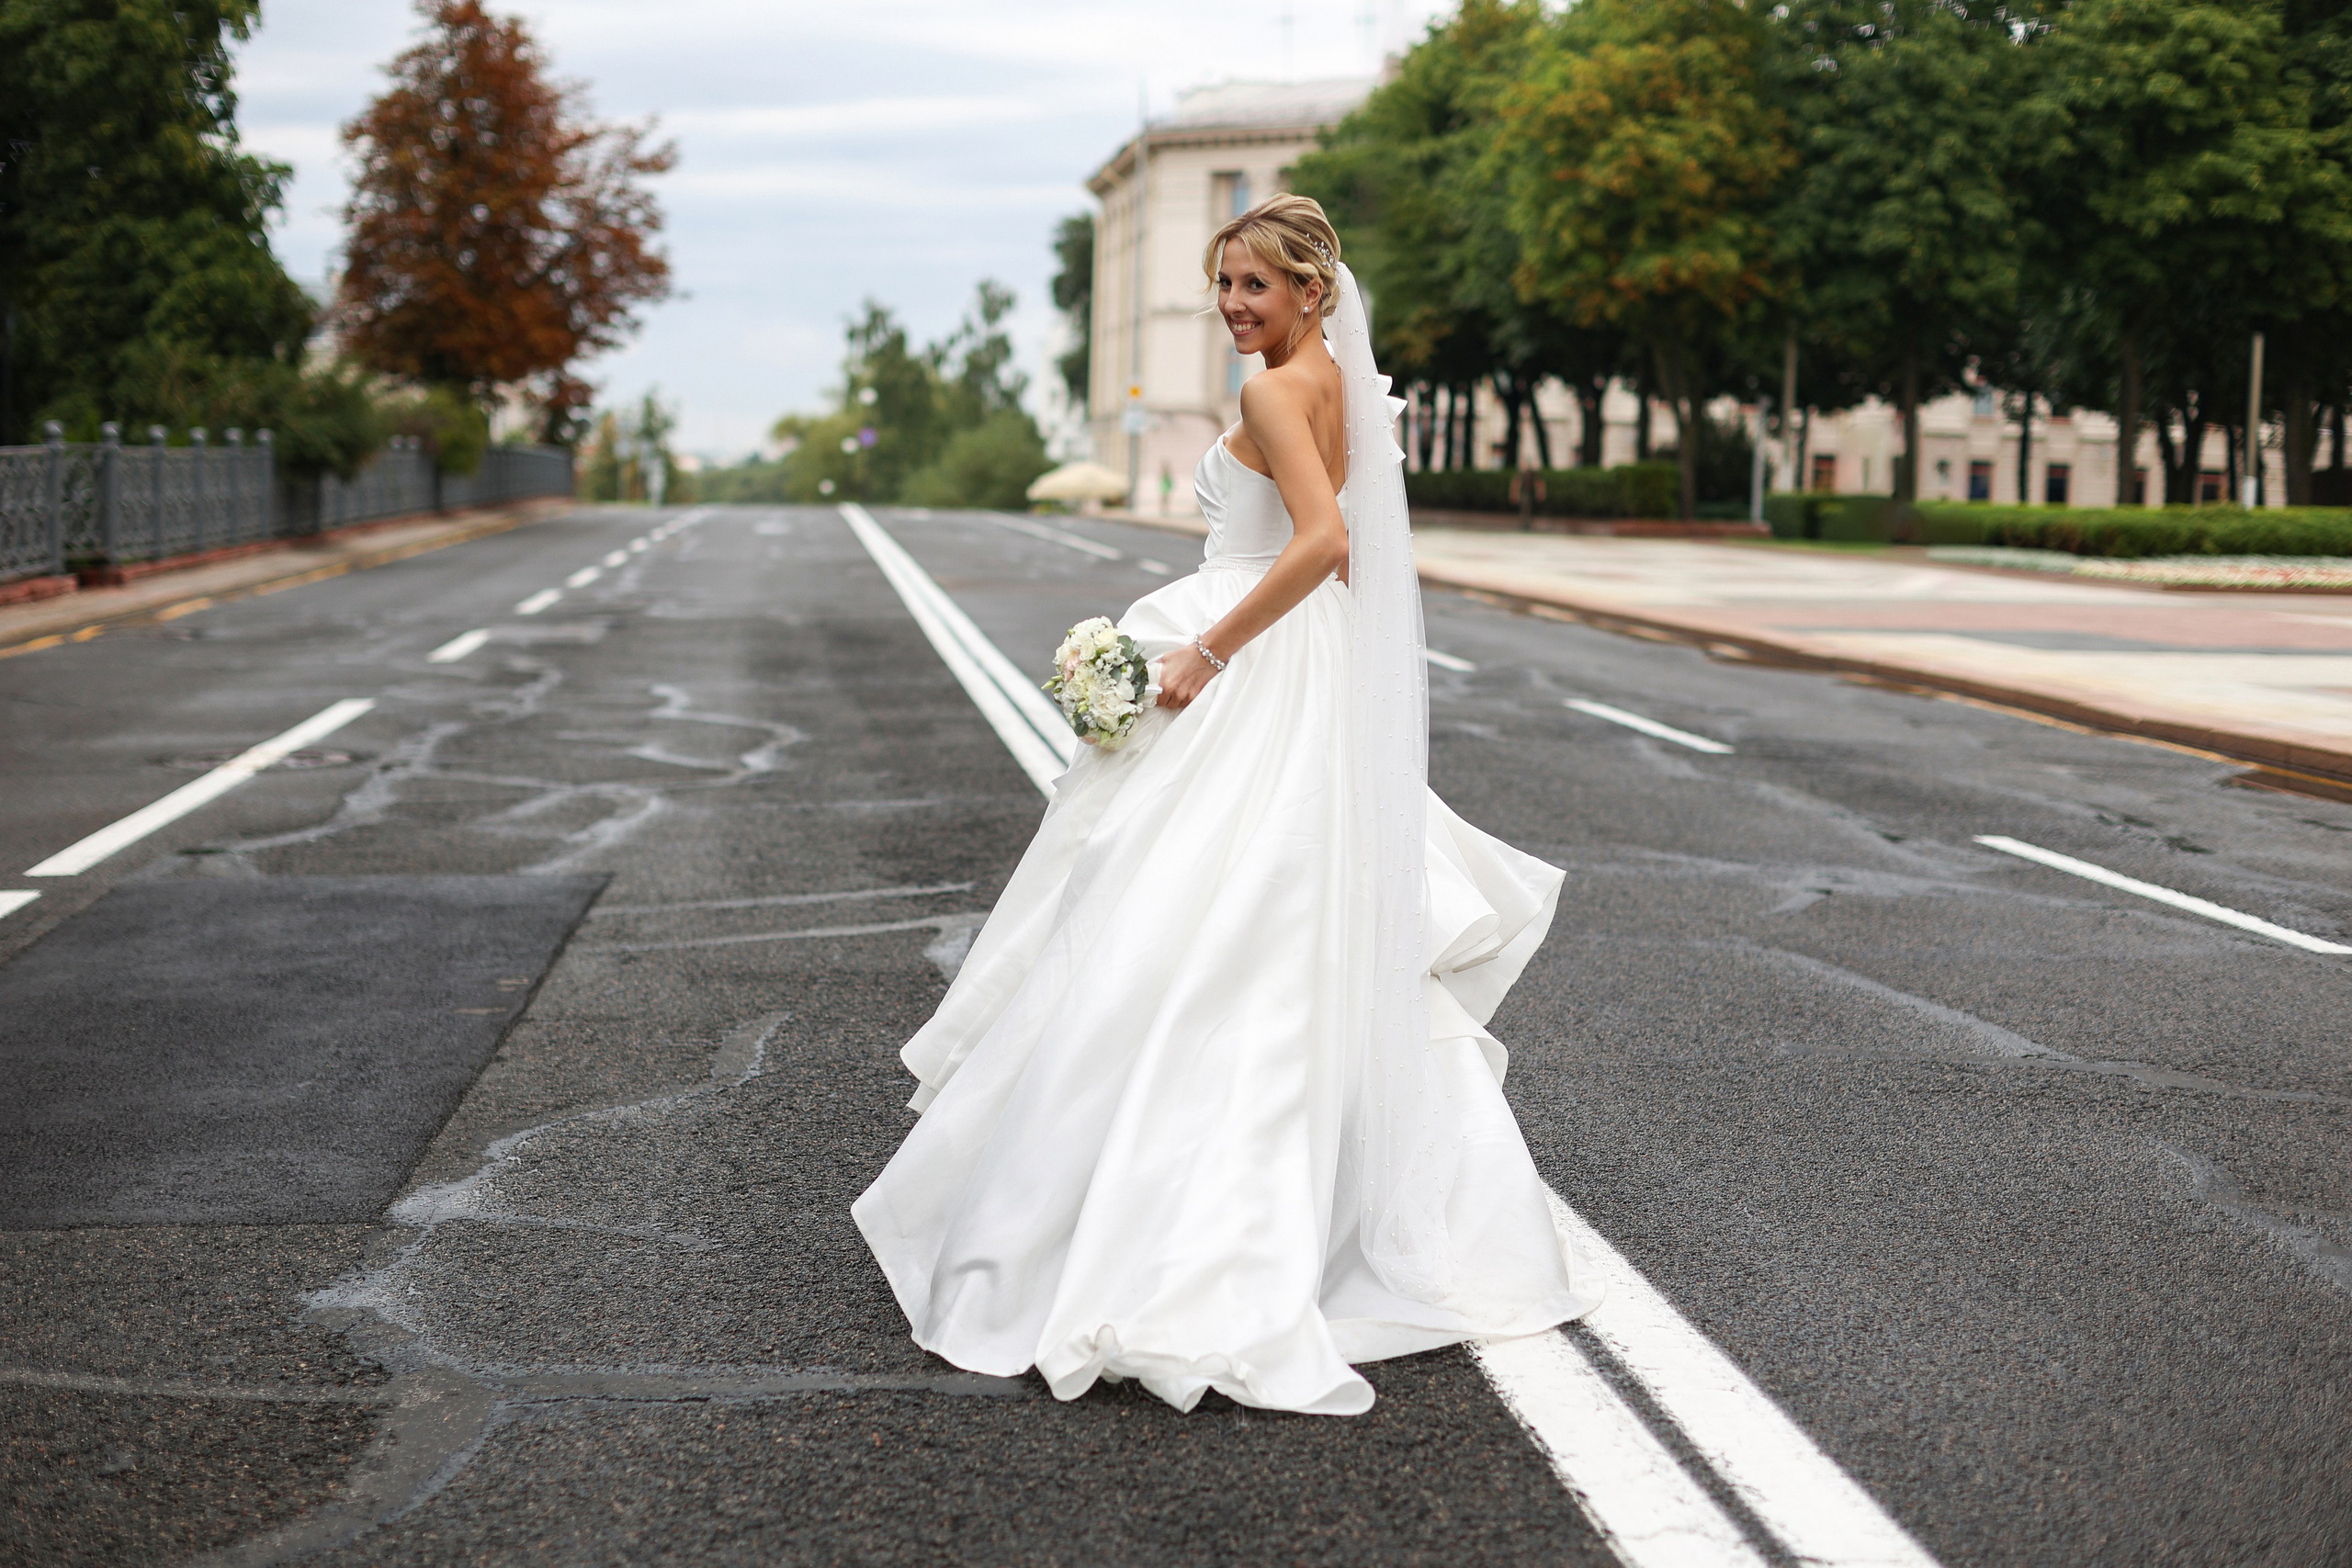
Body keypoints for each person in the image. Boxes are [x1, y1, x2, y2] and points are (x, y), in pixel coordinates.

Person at [853, 195, 1600, 1417]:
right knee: (1282, 928)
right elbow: (1355, 552)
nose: (1232, 307)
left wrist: (1207, 648)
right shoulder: (1342, 388)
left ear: (1313, 290)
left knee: (1181, 921)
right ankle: (1327, 1221)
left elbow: (1313, 541)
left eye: (1255, 285)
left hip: (1261, 657)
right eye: (1222, 285)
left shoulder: (1270, 394)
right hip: (1315, 666)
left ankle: (1173, 1235)